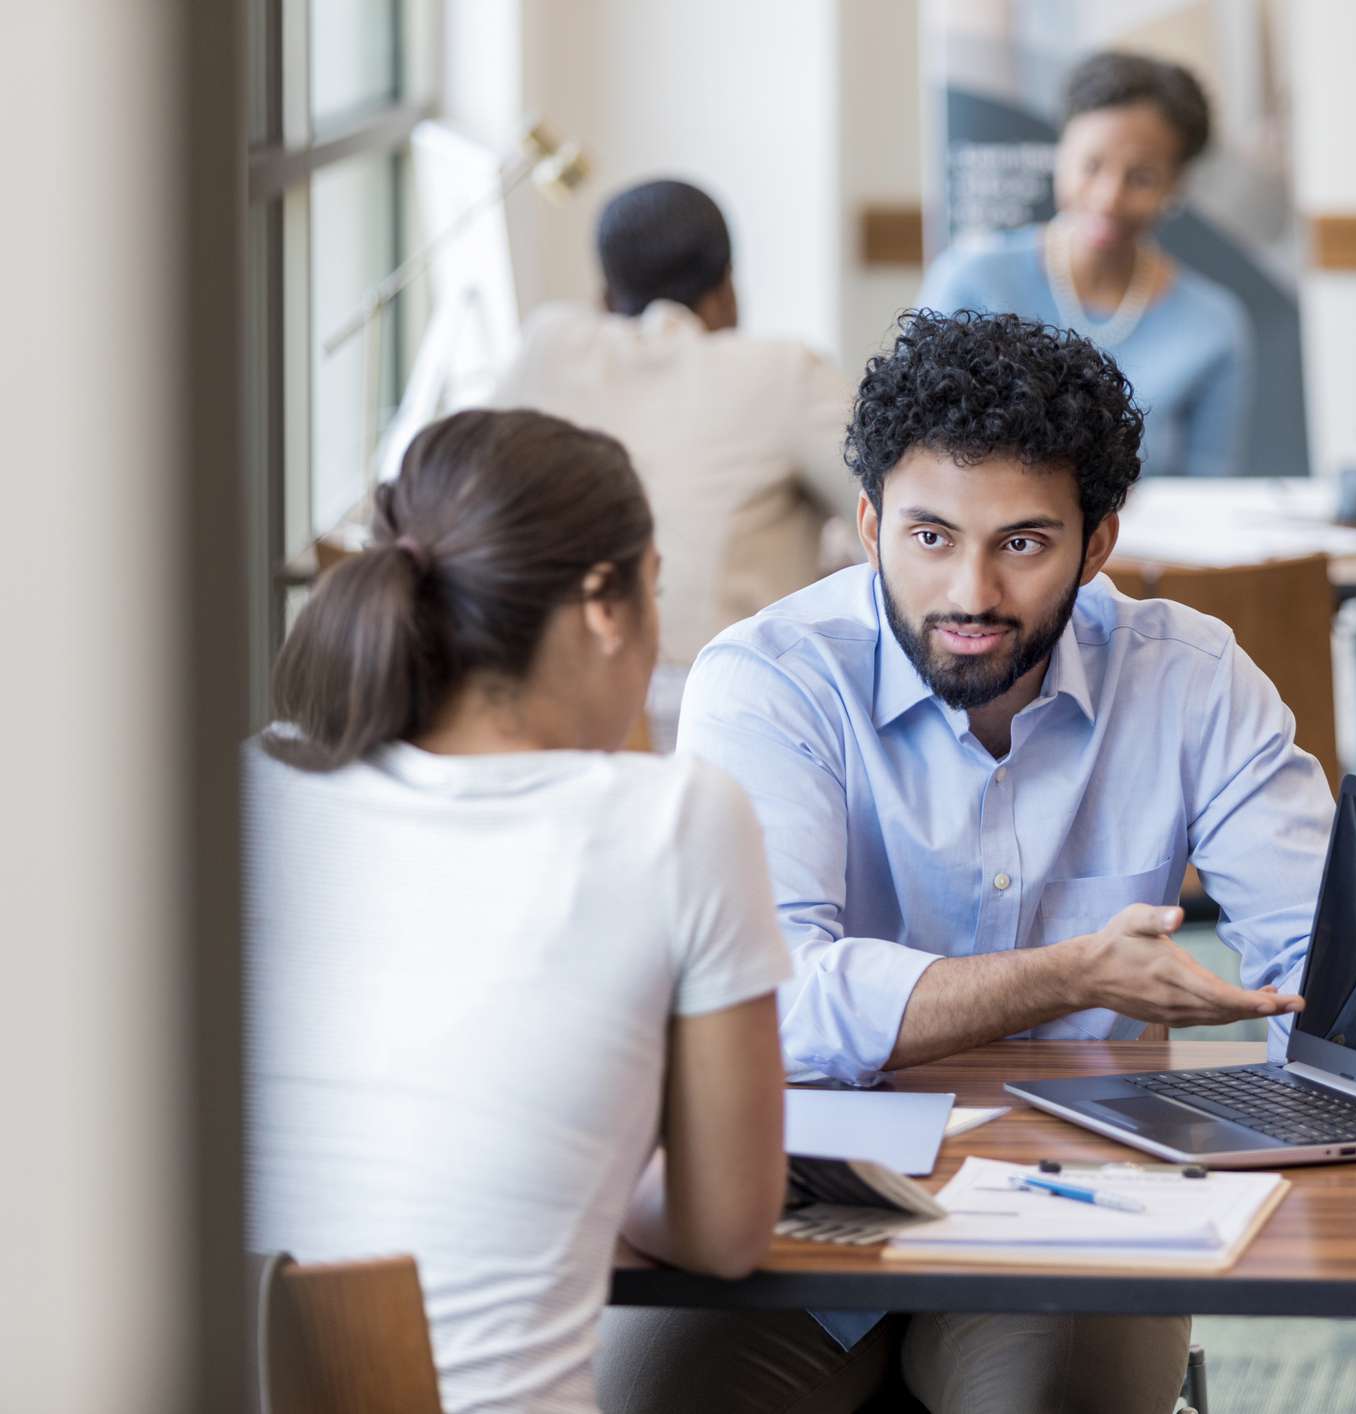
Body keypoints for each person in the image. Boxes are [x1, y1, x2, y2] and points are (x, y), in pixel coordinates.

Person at [600, 310, 1333, 1413]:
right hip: (793, 1192)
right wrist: (1068, 976)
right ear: (867, 524)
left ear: (1097, 545)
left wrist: (1344, 1054)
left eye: (1024, 544)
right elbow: (772, 1001)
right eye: (930, 536)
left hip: (1076, 1202)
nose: (972, 595)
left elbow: (1314, 960)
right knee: (651, 1399)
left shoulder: (1189, 680)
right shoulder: (769, 682)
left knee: (1045, 1401)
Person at [246, 409, 792, 1414]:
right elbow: (725, 1233)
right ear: (604, 606)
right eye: (655, 590)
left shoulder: (251, 790)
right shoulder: (676, 819)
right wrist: (602, 1145)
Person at [492, 178, 856, 748]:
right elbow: (900, 518)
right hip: (730, 723)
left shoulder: (546, 347)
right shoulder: (784, 371)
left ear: (605, 297)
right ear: (726, 291)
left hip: (544, 722)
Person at [920, 50, 1253, 478]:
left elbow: (1210, 492)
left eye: (1141, 178)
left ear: (1176, 185)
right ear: (1060, 153)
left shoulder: (1213, 325)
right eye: (1091, 166)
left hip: (1146, 546)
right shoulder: (972, 280)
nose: (1108, 196)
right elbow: (922, 451)